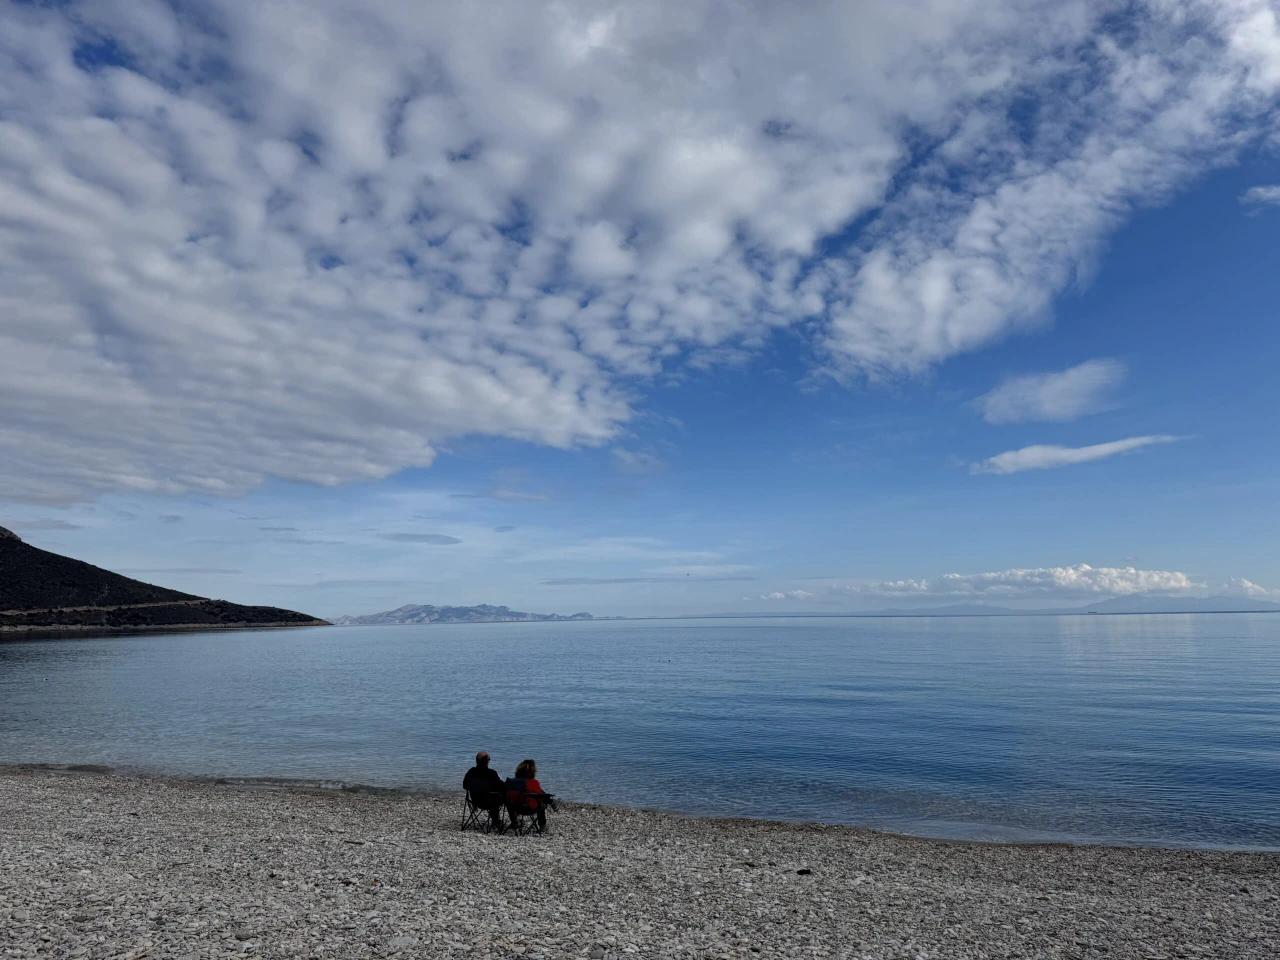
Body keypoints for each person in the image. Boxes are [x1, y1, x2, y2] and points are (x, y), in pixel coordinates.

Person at [507, 758, 556, 832]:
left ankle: (514, 822)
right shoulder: (533, 782)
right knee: (541, 799)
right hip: (528, 808)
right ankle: (542, 825)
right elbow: (540, 798)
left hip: (514, 807)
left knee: (539, 795)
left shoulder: (511, 781)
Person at [462, 751, 505, 829]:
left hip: (475, 801)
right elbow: (502, 787)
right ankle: (497, 821)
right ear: (487, 762)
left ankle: (496, 820)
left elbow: (465, 786)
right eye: (489, 759)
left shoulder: (471, 772)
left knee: (494, 795)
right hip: (489, 803)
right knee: (499, 796)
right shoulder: (491, 773)